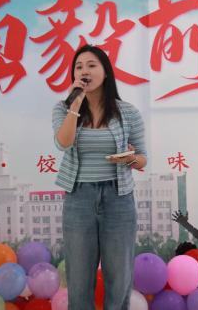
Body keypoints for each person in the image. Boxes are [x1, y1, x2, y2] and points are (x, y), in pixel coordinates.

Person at [53, 44, 147, 310]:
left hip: (118, 199)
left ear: (105, 72)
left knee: (119, 280)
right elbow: (63, 142)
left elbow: (142, 158)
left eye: (92, 65)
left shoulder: (128, 112)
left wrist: (129, 158)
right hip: (79, 199)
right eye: (79, 67)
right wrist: (75, 104)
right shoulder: (62, 109)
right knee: (79, 280)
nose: (85, 71)